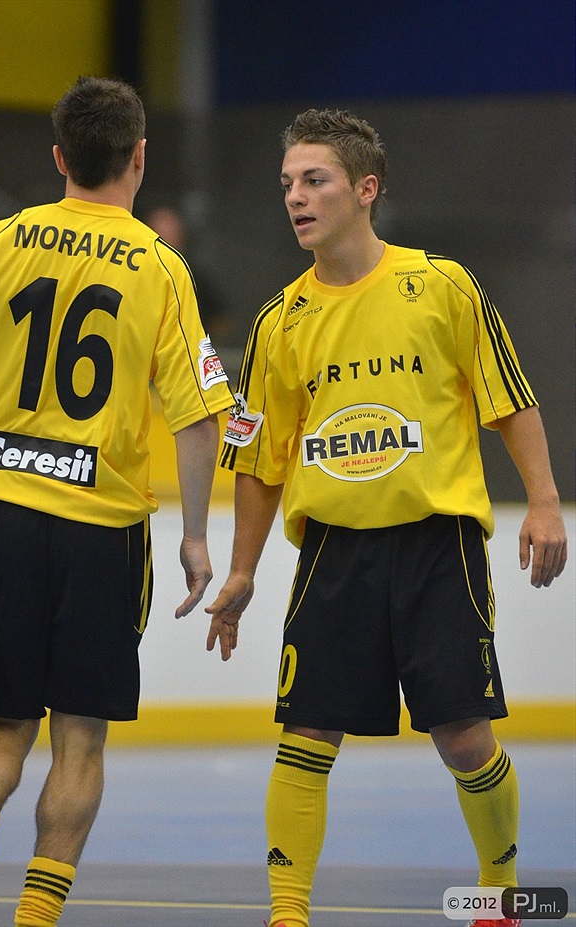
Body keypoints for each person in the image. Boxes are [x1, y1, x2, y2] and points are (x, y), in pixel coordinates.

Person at [0, 75, 233, 927]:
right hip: (103, 535)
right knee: (80, 737)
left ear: (59, 158)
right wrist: (194, 536)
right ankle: (35, 916)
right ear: (138, 158)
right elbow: (196, 417)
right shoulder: (160, 267)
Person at [205, 108, 567, 927]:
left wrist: (544, 501)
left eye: (315, 180)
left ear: (365, 189)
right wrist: (242, 570)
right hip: (333, 554)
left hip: (438, 546)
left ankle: (501, 895)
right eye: (287, 183)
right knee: (306, 734)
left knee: (464, 737)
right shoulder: (277, 322)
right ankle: (287, 914)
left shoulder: (442, 286)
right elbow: (259, 464)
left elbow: (511, 401)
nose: (296, 197)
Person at [144, 204, 232, 345]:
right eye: (160, 234)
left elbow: (220, 317)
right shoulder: (138, 274)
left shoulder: (195, 276)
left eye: (170, 233)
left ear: (181, 236)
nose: (165, 240)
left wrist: (201, 343)